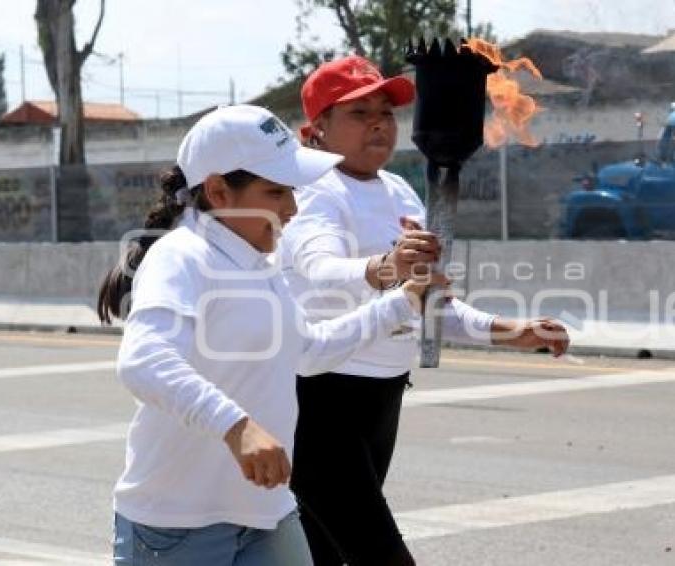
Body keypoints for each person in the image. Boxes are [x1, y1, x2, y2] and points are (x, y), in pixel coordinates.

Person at [97, 104, 444, 566]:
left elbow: (307, 351)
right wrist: (237, 428)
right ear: (220, 191)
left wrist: (404, 301)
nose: (292, 208)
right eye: (276, 191)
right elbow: (144, 362)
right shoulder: (181, 257)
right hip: (178, 527)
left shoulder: (261, 263)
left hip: (269, 517)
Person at [280, 56, 571, 566]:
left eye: (386, 111)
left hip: (381, 396)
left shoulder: (398, 191)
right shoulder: (313, 194)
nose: (377, 121)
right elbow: (320, 266)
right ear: (317, 130)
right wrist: (384, 267)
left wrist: (508, 331)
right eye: (358, 112)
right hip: (321, 401)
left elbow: (428, 302)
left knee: (324, 552)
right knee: (379, 554)